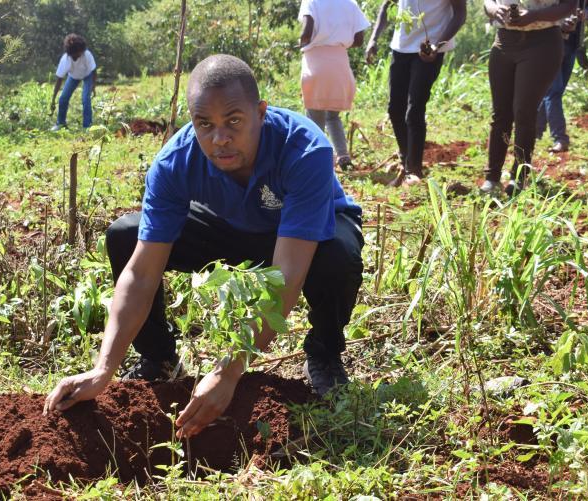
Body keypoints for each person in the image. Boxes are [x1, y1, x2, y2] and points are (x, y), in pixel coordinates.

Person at [44, 55, 365, 439]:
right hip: (229, 227)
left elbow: (286, 277)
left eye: (233, 121)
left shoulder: (304, 148)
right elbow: (142, 273)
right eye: (205, 125)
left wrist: (228, 370)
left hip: (305, 233)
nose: (220, 138)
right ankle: (158, 357)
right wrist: (103, 369)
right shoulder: (174, 163)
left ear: (260, 112)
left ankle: (325, 352)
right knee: (126, 235)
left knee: (338, 257)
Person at [480, 0, 577, 196]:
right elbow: (488, 2)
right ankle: (492, 178)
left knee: (523, 110)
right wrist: (495, 10)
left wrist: (533, 16)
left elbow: (569, 5)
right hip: (505, 41)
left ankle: (519, 176)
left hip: (542, 42)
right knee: (501, 112)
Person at [365, 0, 467, 186]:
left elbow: (460, 14)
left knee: (414, 110)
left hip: (429, 49)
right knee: (395, 109)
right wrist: (374, 38)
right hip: (401, 47)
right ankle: (406, 162)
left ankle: (414, 170)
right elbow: (388, 5)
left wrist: (438, 44)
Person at [298, 0, 371, 170]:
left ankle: (320, 159)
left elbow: (306, 32)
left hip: (316, 63)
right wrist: (337, 42)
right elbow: (359, 39)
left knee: (314, 120)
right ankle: (343, 156)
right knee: (332, 116)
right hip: (339, 65)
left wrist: (303, 42)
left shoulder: (312, 1)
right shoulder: (350, 3)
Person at [536, 0, 588, 153]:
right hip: (551, 40)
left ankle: (535, 131)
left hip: (573, 44)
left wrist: (586, 14)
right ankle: (560, 138)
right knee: (554, 91)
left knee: (554, 91)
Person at [49, 34, 97, 131]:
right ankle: (60, 124)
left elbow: (94, 71)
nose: (79, 55)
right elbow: (59, 79)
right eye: (76, 53)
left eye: (80, 52)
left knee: (85, 99)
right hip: (73, 77)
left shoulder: (86, 55)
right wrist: (54, 98)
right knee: (63, 98)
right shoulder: (65, 60)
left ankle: (87, 126)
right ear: (70, 52)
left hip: (87, 75)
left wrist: (93, 86)